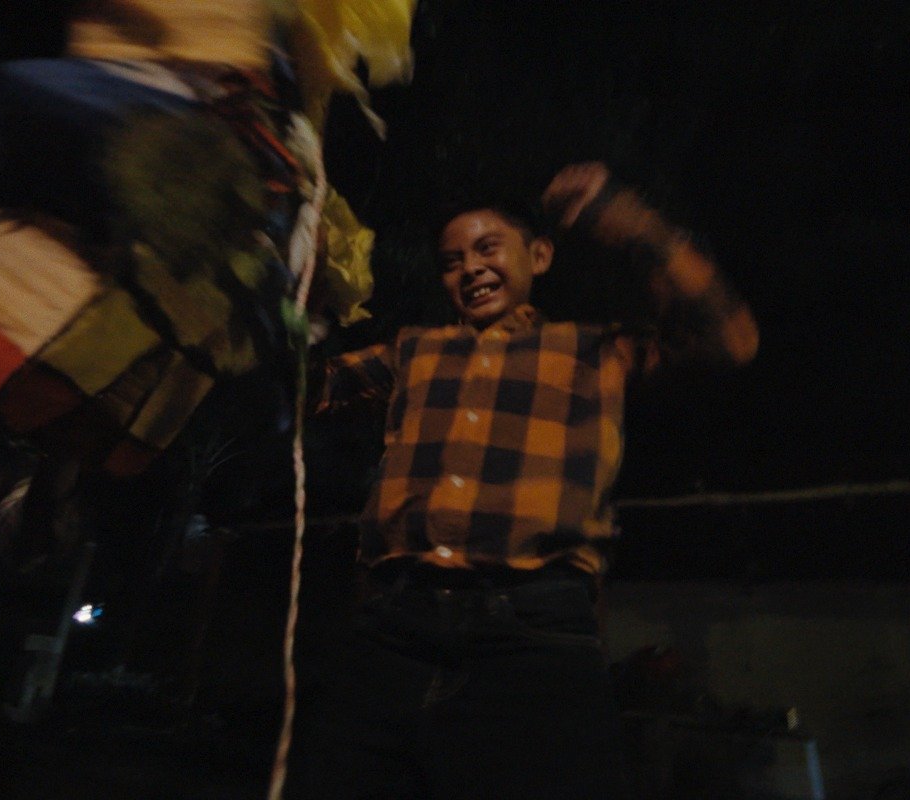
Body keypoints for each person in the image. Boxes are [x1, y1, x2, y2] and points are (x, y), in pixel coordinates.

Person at [288, 161, 758, 798]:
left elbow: (729, 339)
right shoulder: (412, 350)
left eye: (488, 248)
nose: (470, 269)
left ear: (539, 256)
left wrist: (631, 221)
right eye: (452, 261)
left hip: (534, 630)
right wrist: (302, 290)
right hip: (395, 625)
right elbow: (301, 389)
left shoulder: (596, 351)